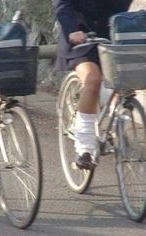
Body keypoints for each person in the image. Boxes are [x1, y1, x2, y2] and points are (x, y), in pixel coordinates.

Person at [53, 0, 132, 170]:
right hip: (80, 40)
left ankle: (117, 126)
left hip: (110, 38)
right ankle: (85, 147)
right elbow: (63, 5)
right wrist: (72, 29)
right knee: (92, 78)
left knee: (127, 83)